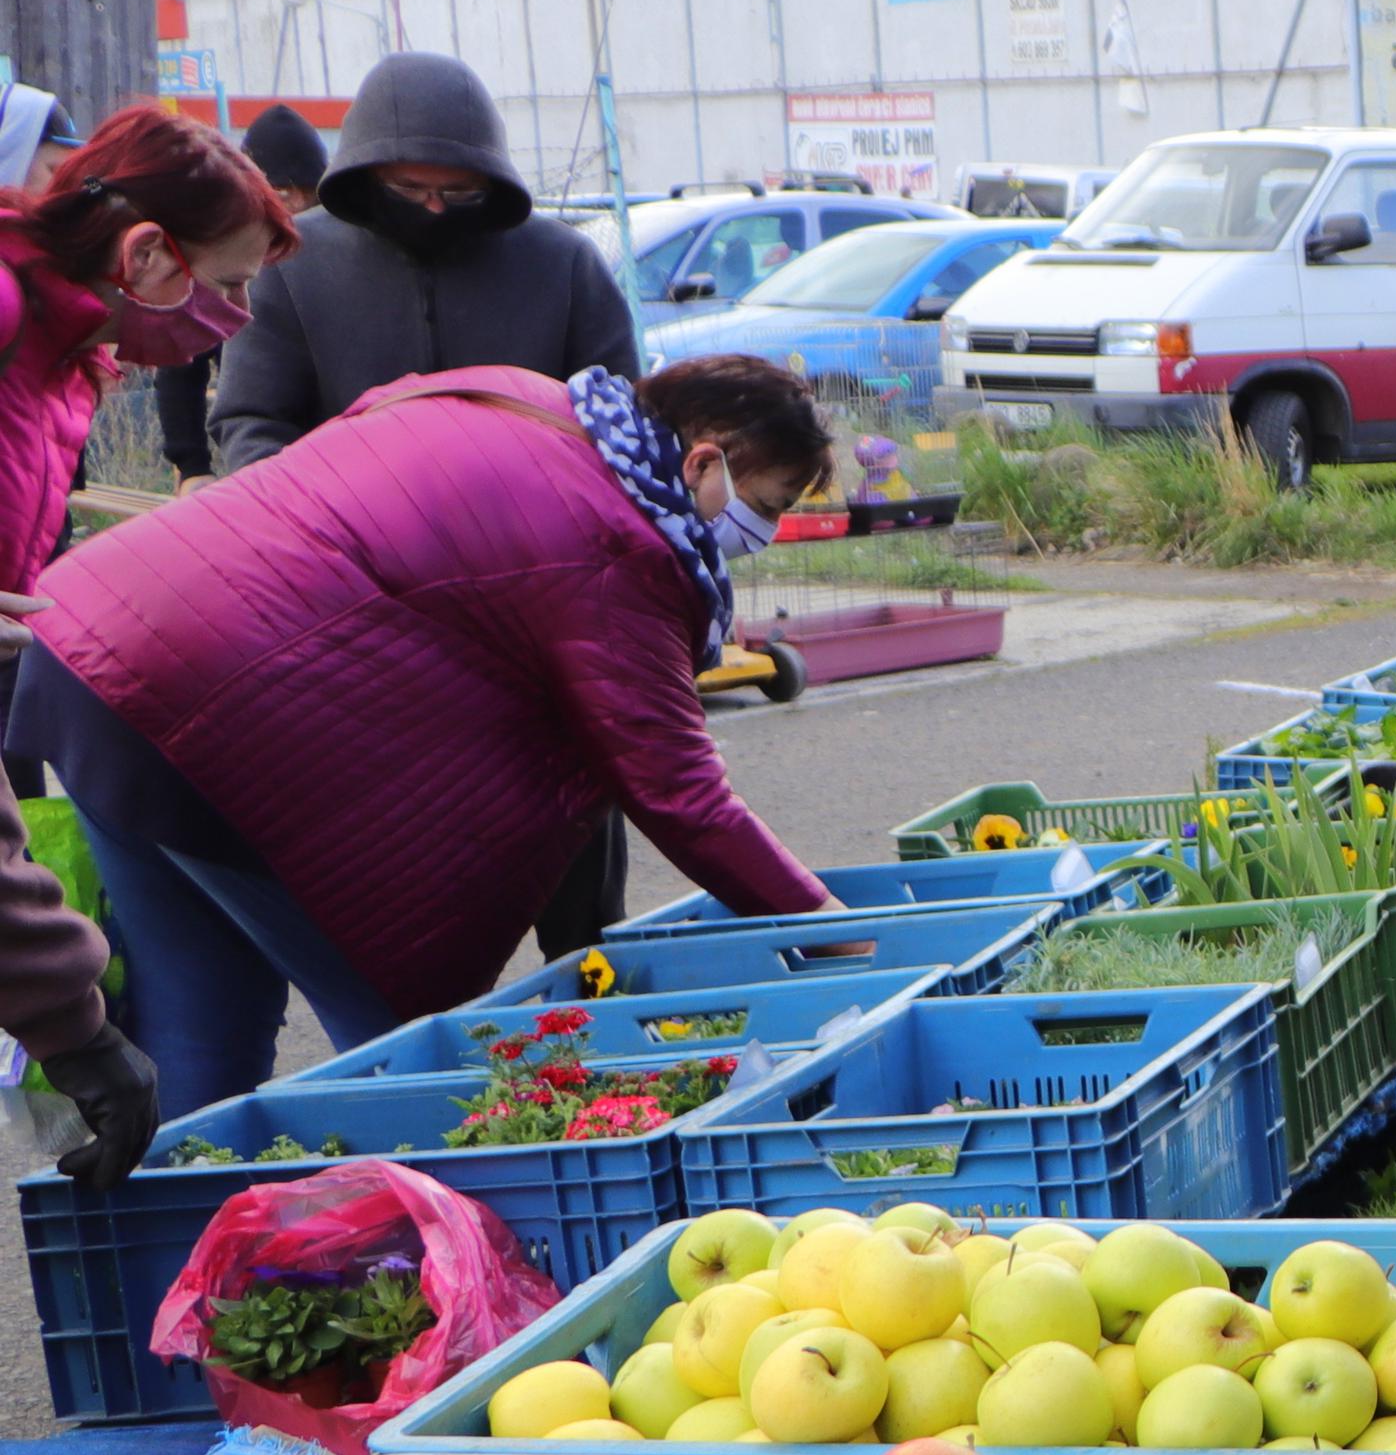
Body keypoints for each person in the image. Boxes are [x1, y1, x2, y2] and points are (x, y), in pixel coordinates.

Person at [8, 354, 839, 1120]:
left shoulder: (516, 394)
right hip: (215, 718)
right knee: (406, 1050)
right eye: (761, 506)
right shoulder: (619, 544)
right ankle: (420, 1252)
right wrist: (837, 927)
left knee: (200, 1021)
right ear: (703, 460)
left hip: (94, 651)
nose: (755, 536)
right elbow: (680, 793)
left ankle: (162, 1258)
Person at [213, 52, 652, 957]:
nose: (436, 209)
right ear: (364, 176)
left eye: (458, 189)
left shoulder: (563, 266)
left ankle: (594, 1021)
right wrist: (313, 530)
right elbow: (251, 420)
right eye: (413, 188)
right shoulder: (297, 268)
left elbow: (628, 432)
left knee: (577, 876)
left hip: (542, 618)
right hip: (366, 616)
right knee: (409, 881)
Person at [0, 107, 289, 1180]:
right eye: (232, 282)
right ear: (149, 255)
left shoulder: (60, 354)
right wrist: (68, 1019)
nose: (243, 318)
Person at [155, 107, 328, 487]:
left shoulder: (335, 258)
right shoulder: (222, 257)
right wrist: (193, 467)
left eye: (304, 195)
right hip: (260, 467)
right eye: (281, 194)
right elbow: (180, 365)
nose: (293, 210)